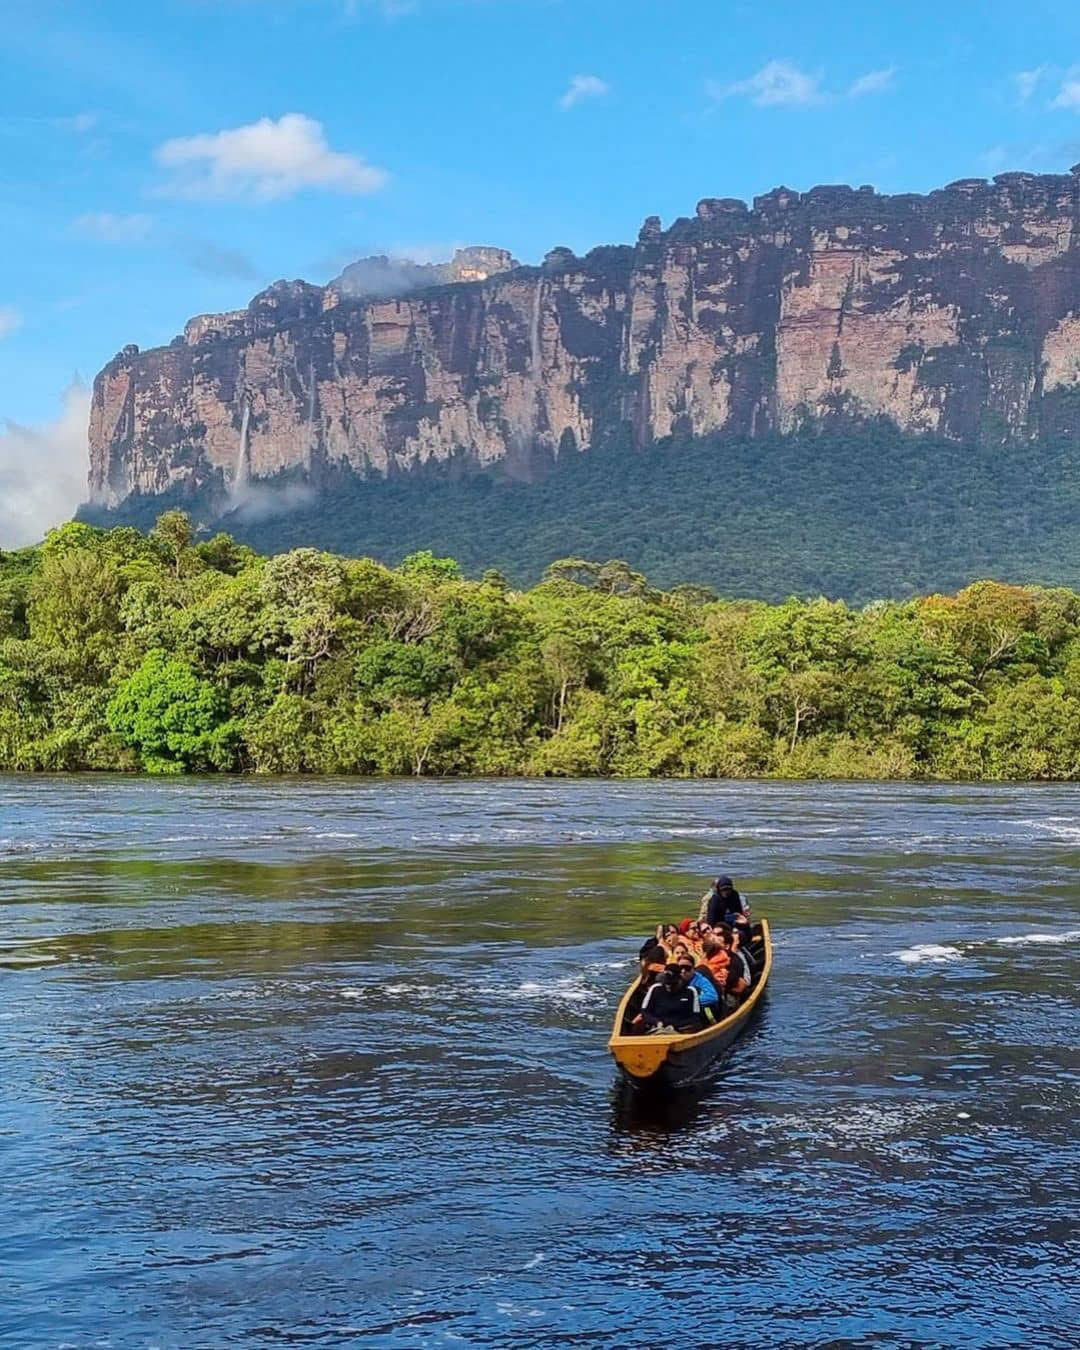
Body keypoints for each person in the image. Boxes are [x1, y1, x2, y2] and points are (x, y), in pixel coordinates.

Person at [635, 962, 705, 1034]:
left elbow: (696, 1015)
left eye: (671, 984)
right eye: (666, 983)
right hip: (658, 1028)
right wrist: (657, 1022)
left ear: (679, 979)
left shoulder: (690, 991)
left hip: (682, 1029)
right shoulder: (655, 989)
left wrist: (676, 1026)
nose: (668, 986)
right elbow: (645, 1012)